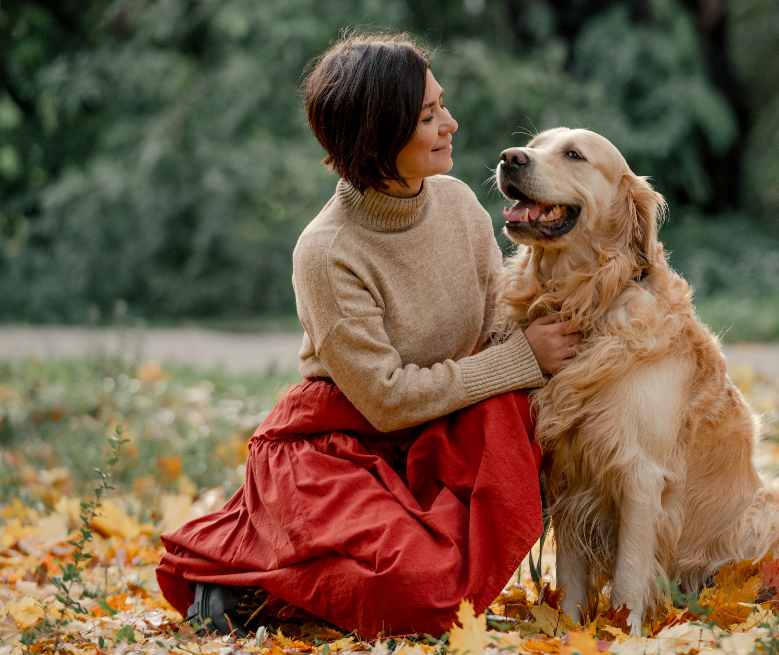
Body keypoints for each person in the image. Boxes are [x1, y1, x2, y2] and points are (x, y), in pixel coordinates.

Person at [155, 32, 581, 640]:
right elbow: (385, 399)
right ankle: (242, 584)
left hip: (440, 427)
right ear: (379, 134)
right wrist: (523, 359)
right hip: (340, 442)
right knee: (425, 593)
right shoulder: (327, 252)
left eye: (443, 106)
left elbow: (497, 332)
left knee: (506, 451)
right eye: (429, 116)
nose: (451, 124)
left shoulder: (459, 204)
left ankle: (330, 564)